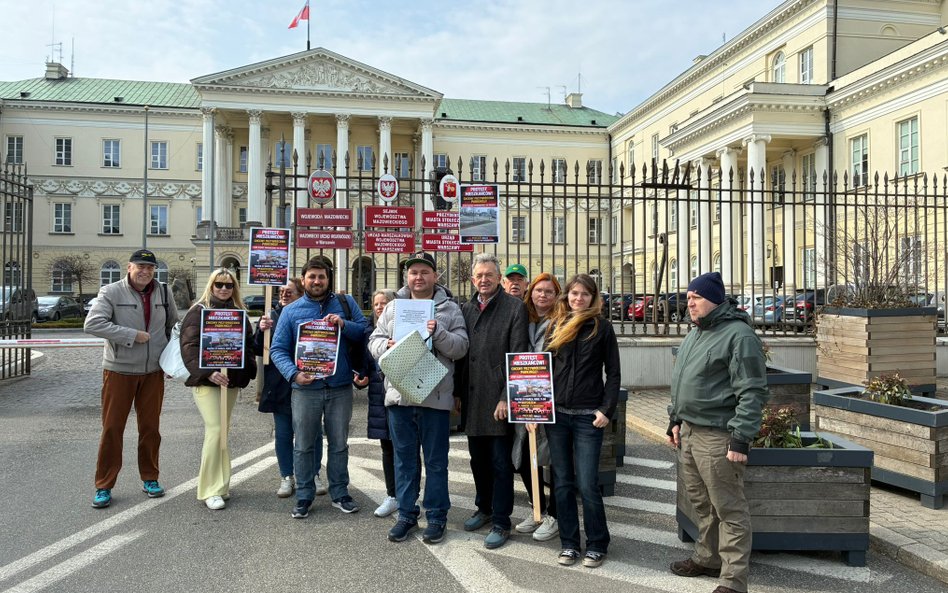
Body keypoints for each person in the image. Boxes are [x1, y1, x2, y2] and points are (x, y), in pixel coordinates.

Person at [667, 272, 769, 593]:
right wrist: (675, 420)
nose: (690, 303)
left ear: (714, 299)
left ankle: (733, 581)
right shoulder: (696, 333)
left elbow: (752, 391)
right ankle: (707, 558)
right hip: (690, 432)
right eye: (688, 298)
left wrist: (741, 437)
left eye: (696, 297)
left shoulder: (739, 336)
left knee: (729, 508)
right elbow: (681, 382)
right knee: (701, 502)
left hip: (719, 435)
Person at [369, 252, 469, 545]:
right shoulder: (393, 308)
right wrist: (384, 345)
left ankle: (436, 517)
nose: (419, 277)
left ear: (435, 276)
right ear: (407, 277)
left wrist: (438, 334)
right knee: (404, 461)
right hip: (400, 396)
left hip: (434, 398)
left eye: (425, 272)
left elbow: (461, 348)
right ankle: (407, 515)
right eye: (413, 272)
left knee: (436, 462)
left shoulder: (450, 310)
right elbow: (373, 340)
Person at [270, 256, 367, 519]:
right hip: (305, 389)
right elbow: (277, 350)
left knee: (339, 444)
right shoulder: (291, 311)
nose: (316, 281)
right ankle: (304, 495)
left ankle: (339, 492)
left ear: (328, 279)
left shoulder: (346, 304)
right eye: (312, 276)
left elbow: (364, 331)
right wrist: (293, 374)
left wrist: (343, 324)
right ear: (304, 280)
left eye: (321, 276)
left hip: (339, 386)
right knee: (302, 445)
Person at [84, 249, 178, 509]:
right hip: (119, 371)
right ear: (129, 267)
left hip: (152, 373)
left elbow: (173, 328)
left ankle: (150, 478)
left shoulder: (163, 292)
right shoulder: (111, 292)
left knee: (150, 429)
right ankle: (104, 484)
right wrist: (130, 334)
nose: (145, 272)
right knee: (112, 429)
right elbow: (92, 324)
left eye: (150, 267)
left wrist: (170, 361)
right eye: (140, 266)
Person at [543, 273, 619, 569]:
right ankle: (570, 543)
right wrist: (537, 409)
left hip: (589, 416)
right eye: (574, 293)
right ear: (567, 296)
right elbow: (543, 370)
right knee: (561, 483)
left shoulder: (603, 328)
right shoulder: (556, 325)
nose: (579, 299)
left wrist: (606, 409)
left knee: (587, 484)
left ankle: (598, 543)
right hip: (557, 416)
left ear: (593, 297)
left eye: (585, 294)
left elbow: (613, 373)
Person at [456, 253, 529, 549]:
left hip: (498, 399)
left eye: (489, 274)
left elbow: (519, 355)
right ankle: (483, 508)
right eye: (479, 275)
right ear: (472, 279)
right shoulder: (466, 308)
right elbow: (461, 355)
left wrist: (506, 397)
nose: (484, 279)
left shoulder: (514, 308)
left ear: (499, 278)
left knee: (500, 463)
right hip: (472, 397)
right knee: (478, 460)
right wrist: (458, 393)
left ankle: (501, 520)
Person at [179, 268, 257, 510]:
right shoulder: (198, 312)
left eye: (229, 285)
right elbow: (189, 346)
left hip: (230, 382)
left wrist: (262, 329)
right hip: (207, 383)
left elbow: (249, 346)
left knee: (223, 432)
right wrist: (208, 373)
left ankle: (221, 485)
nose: (224, 289)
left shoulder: (239, 314)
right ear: (211, 286)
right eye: (219, 284)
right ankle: (210, 489)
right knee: (215, 431)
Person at [253, 279, 327, 498]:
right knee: (284, 434)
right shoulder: (269, 317)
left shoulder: (311, 314)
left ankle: (314, 474)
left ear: (300, 294)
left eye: (289, 292)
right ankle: (287, 476)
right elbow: (258, 349)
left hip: (308, 381)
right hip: (280, 384)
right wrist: (261, 330)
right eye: (281, 292)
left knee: (312, 433)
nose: (284, 295)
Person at [513, 273, 560, 542]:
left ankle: (553, 515)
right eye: (538, 291)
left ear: (556, 296)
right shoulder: (525, 320)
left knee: (551, 459)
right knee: (523, 456)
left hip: (551, 395)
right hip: (524, 393)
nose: (542, 295)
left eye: (549, 291)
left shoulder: (560, 321)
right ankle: (537, 508)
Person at [356, 288, 399, 518]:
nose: (380, 307)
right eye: (376, 304)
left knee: (407, 447)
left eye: (385, 303)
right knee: (387, 447)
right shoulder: (368, 332)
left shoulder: (401, 329)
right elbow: (364, 364)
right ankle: (392, 495)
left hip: (400, 393)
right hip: (378, 397)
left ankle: (410, 494)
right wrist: (361, 378)